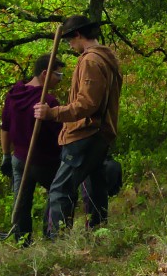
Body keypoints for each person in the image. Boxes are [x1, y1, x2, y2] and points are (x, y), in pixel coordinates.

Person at [34, 15, 122, 237]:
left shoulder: (91, 61)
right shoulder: (106, 58)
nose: (69, 45)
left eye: (69, 40)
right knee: (94, 187)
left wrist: (52, 113)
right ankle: (98, 234)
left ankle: (56, 241)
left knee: (60, 189)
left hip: (86, 134)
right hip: (99, 133)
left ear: (78, 35)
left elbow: (87, 104)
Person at [0, 54, 66, 245]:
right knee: (58, 191)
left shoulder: (14, 94)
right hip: (44, 161)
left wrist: (6, 154)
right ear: (45, 73)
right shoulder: (48, 103)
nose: (60, 80)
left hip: (18, 159)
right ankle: (51, 233)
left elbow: (4, 128)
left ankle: (23, 242)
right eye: (58, 75)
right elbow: (61, 133)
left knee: (21, 201)